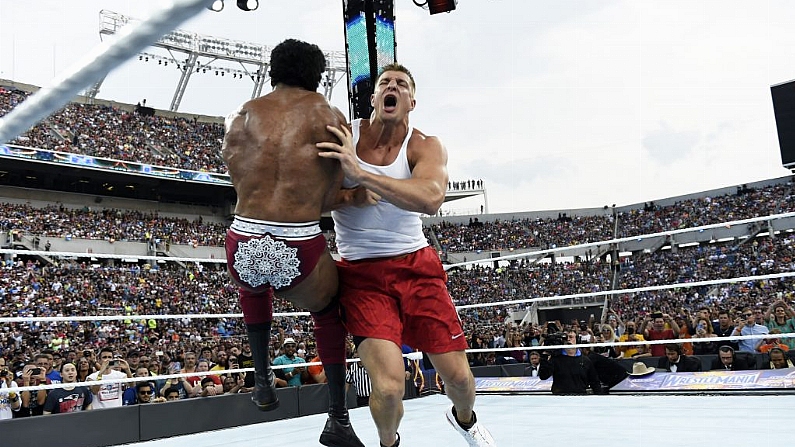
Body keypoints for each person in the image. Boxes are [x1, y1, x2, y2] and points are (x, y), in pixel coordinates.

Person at [318, 63, 495, 447]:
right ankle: (389, 443)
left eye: (401, 84)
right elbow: (310, 196)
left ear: (411, 101)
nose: (392, 87)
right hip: (361, 274)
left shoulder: (424, 145)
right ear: (374, 98)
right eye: (385, 83)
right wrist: (350, 193)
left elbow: (431, 199)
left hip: (416, 266)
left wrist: (361, 174)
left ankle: (465, 421)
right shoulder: (344, 134)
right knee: (388, 388)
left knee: (461, 380)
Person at [222, 38, 362, 447]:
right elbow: (335, 195)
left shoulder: (242, 115)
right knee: (328, 311)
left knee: (252, 285)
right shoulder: (329, 116)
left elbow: (237, 177)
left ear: (273, 70)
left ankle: (262, 379)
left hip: (242, 236)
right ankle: (337, 418)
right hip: (296, 242)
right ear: (318, 75)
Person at [537, 331, 604, 395]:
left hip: (580, 398)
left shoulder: (586, 361)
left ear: (577, 340)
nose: (568, 340)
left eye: (571, 337)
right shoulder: (555, 359)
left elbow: (595, 382)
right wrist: (545, 355)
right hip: (559, 398)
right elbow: (543, 376)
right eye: (565, 338)